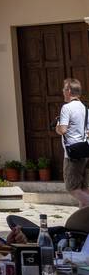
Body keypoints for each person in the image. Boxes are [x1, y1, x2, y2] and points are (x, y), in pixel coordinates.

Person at [56, 78, 89, 209]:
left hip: (73, 154)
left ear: (69, 91)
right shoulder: (85, 108)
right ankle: (84, 223)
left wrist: (57, 126)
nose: (63, 92)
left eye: (64, 89)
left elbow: (63, 130)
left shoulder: (67, 108)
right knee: (84, 188)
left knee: (72, 188)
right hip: (86, 151)